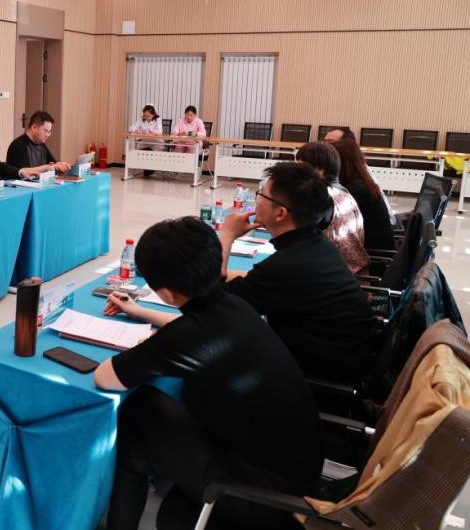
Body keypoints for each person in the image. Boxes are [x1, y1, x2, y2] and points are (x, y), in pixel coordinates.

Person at [94, 217, 324, 530]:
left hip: (260, 496)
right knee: (149, 413)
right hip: (295, 472)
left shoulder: (191, 335)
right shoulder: (234, 305)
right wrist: (139, 311)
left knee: (138, 410)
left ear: (167, 294)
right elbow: (194, 328)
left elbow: (105, 377)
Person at [219, 162, 378, 384]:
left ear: (280, 213)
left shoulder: (285, 266)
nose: (256, 200)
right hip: (351, 360)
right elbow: (259, 284)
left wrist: (227, 235)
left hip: (318, 379)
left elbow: (217, 302)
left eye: (261, 194)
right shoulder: (316, 243)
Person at [296, 141, 370, 275]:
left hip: (335, 278)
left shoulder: (321, 197)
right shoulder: (342, 192)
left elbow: (297, 237)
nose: (296, 172)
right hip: (354, 274)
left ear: (320, 169)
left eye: (301, 167)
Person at [330, 138, 396, 250]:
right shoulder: (361, 181)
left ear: (341, 163)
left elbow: (332, 219)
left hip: (373, 251)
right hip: (375, 245)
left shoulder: (356, 189)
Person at [5, 110, 71, 173]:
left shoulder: (41, 145)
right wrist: (47, 167)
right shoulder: (19, 145)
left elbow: (52, 163)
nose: (47, 135)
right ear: (34, 127)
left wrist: (59, 164)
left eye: (49, 132)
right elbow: (24, 172)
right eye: (45, 131)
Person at [128, 104, 163, 177]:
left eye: (148, 116)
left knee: (150, 153)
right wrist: (135, 130)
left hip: (156, 142)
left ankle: (149, 171)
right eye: (145, 115)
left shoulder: (157, 119)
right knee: (143, 152)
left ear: (153, 114)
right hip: (145, 142)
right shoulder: (141, 120)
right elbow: (131, 128)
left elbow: (160, 132)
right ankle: (147, 171)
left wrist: (151, 132)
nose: (146, 118)